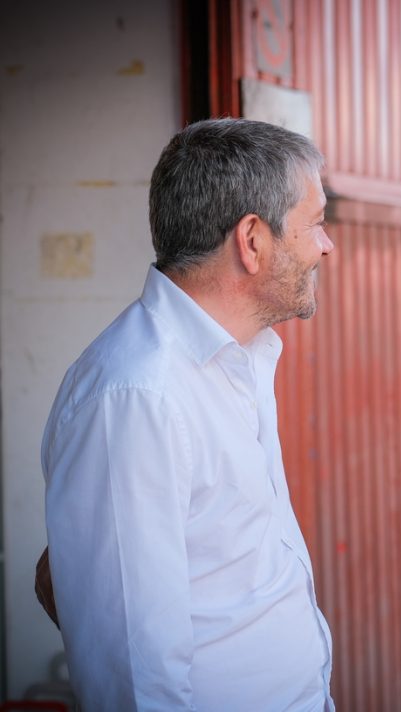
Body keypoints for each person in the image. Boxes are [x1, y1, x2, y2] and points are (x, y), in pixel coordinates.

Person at [40, 118, 336, 711]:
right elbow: (132, 676)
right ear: (252, 240)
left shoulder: (242, 358)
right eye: (315, 224)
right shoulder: (135, 398)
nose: (326, 246)